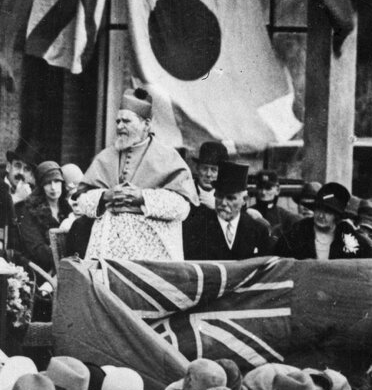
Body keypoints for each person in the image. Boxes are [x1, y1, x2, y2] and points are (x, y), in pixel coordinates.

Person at [75, 88, 198, 261]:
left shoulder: (168, 157)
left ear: (146, 125)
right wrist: (105, 196)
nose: (119, 126)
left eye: (126, 121)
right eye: (118, 121)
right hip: (107, 255)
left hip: (151, 256)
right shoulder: (105, 157)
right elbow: (81, 201)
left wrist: (143, 197)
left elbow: (181, 208)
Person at [182, 162, 275, 262]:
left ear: (244, 200)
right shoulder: (196, 227)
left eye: (230, 198)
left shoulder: (258, 231)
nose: (223, 203)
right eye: (220, 196)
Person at [275, 183, 372, 260]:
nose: (321, 215)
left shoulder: (352, 241)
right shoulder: (294, 237)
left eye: (328, 212)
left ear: (337, 215)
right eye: (318, 209)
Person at [15, 161, 72, 274]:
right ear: (41, 186)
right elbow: (35, 248)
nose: (53, 187)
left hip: (66, 267)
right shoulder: (29, 210)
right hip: (39, 270)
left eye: (56, 181)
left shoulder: (68, 209)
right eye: (48, 183)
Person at [192, 141, 226, 209]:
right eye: (204, 168)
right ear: (197, 169)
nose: (208, 174)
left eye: (214, 170)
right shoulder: (189, 190)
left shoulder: (227, 195)